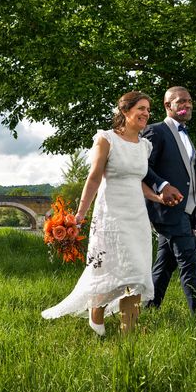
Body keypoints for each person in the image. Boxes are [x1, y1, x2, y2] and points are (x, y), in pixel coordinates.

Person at [41, 91, 165, 336]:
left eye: (148, 110)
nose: (146, 114)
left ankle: (128, 331)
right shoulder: (106, 139)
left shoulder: (145, 146)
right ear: (125, 111)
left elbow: (137, 180)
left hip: (137, 216)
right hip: (111, 215)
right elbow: (95, 177)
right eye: (141, 108)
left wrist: (157, 197)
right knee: (108, 268)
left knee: (138, 272)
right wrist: (79, 214)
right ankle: (96, 311)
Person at [142, 86, 196, 319]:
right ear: (167, 106)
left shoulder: (186, 134)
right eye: (180, 102)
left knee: (164, 266)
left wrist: (192, 212)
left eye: (189, 101)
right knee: (190, 265)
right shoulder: (156, 131)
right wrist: (162, 186)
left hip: (185, 211)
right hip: (168, 210)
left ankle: (149, 309)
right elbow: (142, 167)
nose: (187, 105)